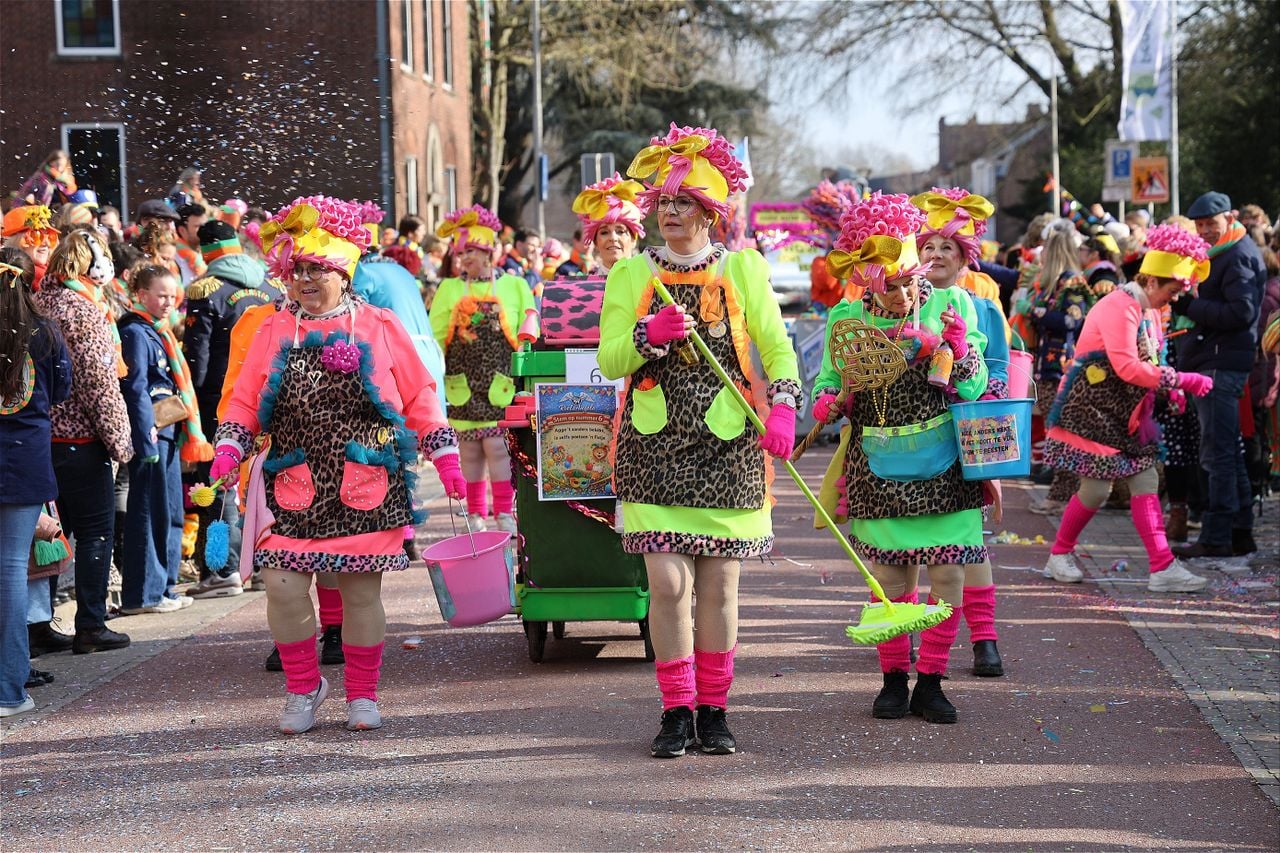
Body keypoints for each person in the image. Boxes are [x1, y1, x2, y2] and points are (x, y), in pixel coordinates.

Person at [211, 196, 466, 734]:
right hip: (292, 478)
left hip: (366, 480)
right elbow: (244, 397)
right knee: (282, 587)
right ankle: (303, 688)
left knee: (360, 594)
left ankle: (362, 694)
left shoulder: (380, 324)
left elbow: (420, 396)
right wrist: (230, 447)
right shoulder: (274, 328)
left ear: (343, 272)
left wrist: (445, 457)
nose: (304, 279)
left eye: (316, 269)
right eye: (296, 270)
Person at [600, 123, 801, 757]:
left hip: (728, 448)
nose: (669, 213)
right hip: (652, 448)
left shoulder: (743, 268)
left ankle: (713, 711)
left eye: (682, 203)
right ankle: (675, 710)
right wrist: (646, 336)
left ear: (710, 213)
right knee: (667, 584)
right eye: (663, 202)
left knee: (719, 587)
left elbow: (777, 348)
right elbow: (608, 359)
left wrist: (784, 407)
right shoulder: (631, 273)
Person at [813, 191, 988, 726]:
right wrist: (827, 400)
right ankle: (893, 680)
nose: (903, 293)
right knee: (891, 582)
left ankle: (931, 682)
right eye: (889, 284)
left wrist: (956, 349)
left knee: (948, 577)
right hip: (877, 465)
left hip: (945, 467)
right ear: (866, 279)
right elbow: (827, 380)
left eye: (909, 281)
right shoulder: (846, 316)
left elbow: (976, 386)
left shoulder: (952, 304)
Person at [1042, 225, 1216, 592]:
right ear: (1151, 281)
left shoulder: (1146, 309)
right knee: (1097, 490)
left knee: (1138, 480)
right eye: (1172, 291)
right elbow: (1127, 367)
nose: (1173, 300)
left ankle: (1159, 566)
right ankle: (1062, 554)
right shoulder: (1120, 307)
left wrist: (1168, 390)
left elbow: (1150, 360)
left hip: (1120, 412)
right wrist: (1182, 380)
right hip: (1092, 410)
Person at [911, 187, 1008, 677]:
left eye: (947, 247)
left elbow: (1001, 368)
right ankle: (907, 632)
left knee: (968, 540)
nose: (936, 254)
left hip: (963, 435)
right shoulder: (899, 300)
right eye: (928, 246)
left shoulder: (983, 306)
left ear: (964, 257)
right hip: (907, 438)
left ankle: (984, 638)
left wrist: (982, 396)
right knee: (902, 540)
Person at [31, 229, 135, 654]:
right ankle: (91, 623)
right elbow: (98, 384)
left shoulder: (38, 302)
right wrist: (120, 442)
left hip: (41, 437)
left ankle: (38, 623)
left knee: (52, 533)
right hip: (80, 439)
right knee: (94, 532)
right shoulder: (83, 309)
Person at [182, 221, 280, 598]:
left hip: (220, 400)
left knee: (221, 484)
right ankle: (264, 564)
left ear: (206, 250)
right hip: (266, 396)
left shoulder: (206, 289)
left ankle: (223, 568)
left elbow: (198, 358)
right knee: (261, 480)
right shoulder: (270, 286)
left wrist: (192, 399)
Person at [1172, 191, 1268, 559]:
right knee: (1227, 449)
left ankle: (1217, 536)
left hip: (1221, 361)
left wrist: (1191, 306)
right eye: (1199, 225)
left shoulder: (1237, 254)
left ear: (1230, 217)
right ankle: (1240, 532)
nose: (1204, 231)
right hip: (1218, 358)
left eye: (1210, 224)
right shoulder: (1227, 251)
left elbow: (1242, 313)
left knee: (1218, 453)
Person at [429, 205, 536, 534]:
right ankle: (475, 514)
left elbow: (529, 326)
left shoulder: (514, 286)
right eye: (461, 253)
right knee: (470, 452)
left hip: (501, 383)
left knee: (499, 450)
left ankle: (504, 512)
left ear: (489, 253)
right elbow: (435, 336)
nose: (465, 259)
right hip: (462, 383)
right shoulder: (449, 288)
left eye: (471, 251)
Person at [0, 250, 72, 716]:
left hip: (22, 459)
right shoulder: (44, 333)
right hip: (25, 458)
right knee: (9, 571)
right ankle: (8, 688)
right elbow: (62, 389)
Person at [116, 265, 196, 613]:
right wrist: (144, 438)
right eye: (161, 295)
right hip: (152, 432)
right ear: (141, 295)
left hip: (169, 430)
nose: (168, 302)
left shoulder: (158, 331)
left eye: (172, 296)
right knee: (149, 512)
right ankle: (144, 594)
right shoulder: (135, 331)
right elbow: (135, 389)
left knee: (171, 511)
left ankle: (165, 586)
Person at [566, 173, 648, 276]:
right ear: (595, 243)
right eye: (604, 232)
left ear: (633, 240)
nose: (613, 238)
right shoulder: (584, 283)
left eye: (620, 231)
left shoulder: (652, 279)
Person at [2, 205, 59, 289]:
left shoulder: (51, 269)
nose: (46, 243)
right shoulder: (37, 277)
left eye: (50, 236)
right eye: (37, 235)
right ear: (17, 241)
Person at [12, 150, 77, 210]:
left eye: (62, 166)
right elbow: (25, 197)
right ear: (51, 162)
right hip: (33, 212)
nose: (59, 168)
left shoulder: (63, 182)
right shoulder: (40, 178)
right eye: (57, 164)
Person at [174, 203, 210, 284]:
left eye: (206, 225)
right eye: (198, 226)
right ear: (182, 230)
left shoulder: (211, 254)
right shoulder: (172, 259)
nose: (205, 230)